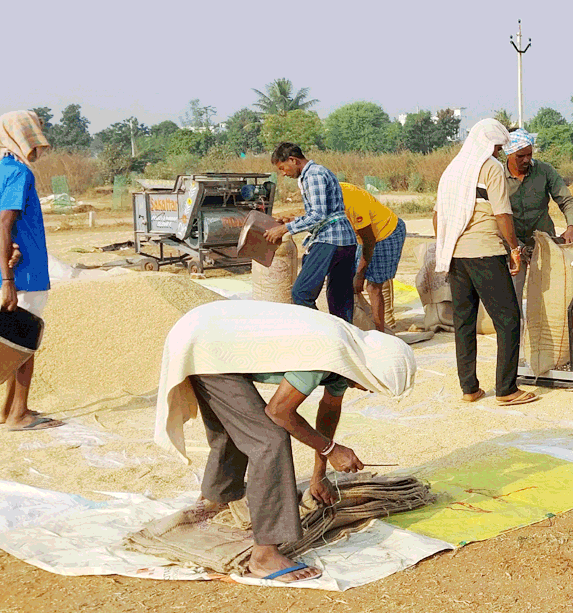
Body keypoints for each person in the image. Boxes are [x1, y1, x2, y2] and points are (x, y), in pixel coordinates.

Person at [155, 300, 416, 584]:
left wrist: (320, 476)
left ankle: (218, 498)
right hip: (204, 341)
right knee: (269, 440)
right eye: (372, 384)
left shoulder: (351, 357)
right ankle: (264, 556)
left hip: (207, 337)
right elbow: (278, 411)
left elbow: (328, 413)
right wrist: (332, 450)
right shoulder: (330, 349)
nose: (366, 388)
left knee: (240, 426)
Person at [433, 119, 537, 406]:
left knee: (464, 322)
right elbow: (502, 214)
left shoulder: (452, 171)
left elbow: (437, 217)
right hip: (485, 252)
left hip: (456, 256)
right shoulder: (490, 168)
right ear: (487, 144)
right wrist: (514, 248)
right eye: (496, 145)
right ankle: (506, 390)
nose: (496, 151)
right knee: (508, 320)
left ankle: (469, 388)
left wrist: (447, 246)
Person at [0, 111, 61, 431]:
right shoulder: (19, 173)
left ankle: (8, 410)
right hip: (24, 273)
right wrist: (8, 280)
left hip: (3, 267)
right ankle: (19, 414)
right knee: (24, 340)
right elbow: (4, 224)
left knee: (12, 338)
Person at [265, 143, 359, 322]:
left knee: (301, 293)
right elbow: (324, 212)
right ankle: (346, 338)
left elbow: (318, 215)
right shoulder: (318, 172)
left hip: (330, 239)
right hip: (344, 240)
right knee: (339, 299)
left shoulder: (313, 174)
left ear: (293, 160)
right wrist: (293, 221)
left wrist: (285, 229)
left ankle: (322, 332)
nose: (284, 173)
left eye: (283, 168)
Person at [501, 128, 573, 297]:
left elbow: (566, 200)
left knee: (550, 295)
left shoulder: (544, 171)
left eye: (529, 154)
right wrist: (513, 246)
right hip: (513, 245)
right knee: (512, 296)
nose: (526, 160)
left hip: (543, 241)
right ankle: (518, 324)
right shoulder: (497, 176)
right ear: (508, 154)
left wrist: (572, 226)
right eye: (520, 156)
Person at [338, 182, 406, 333]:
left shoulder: (351, 201)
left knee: (373, 286)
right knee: (350, 283)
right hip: (366, 236)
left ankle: (381, 334)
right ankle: (361, 327)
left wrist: (360, 274)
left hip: (385, 233)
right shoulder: (329, 192)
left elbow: (369, 241)